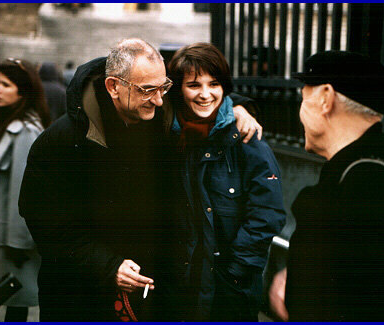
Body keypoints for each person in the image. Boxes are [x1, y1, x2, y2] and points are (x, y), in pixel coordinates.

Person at [18, 38, 262, 321]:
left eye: (164, 88)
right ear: (113, 87)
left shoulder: (159, 112)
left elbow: (202, 97)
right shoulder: (59, 142)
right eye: (148, 90)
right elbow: (45, 222)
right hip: (79, 297)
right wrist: (108, 266)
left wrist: (239, 108)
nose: (159, 99)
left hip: (149, 294)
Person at [268, 51, 384, 321]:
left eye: (303, 98)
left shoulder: (339, 193)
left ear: (325, 98)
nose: (300, 112)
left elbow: (307, 305)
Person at [163, 42, 286, 321]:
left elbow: (268, 213)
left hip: (229, 292)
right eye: (194, 85)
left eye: (214, 84)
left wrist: (235, 270)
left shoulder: (245, 140)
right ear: (178, 90)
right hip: (179, 288)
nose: (205, 94)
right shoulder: (169, 137)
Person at [0, 58, 50, 321]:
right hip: (3, 237)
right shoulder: (14, 125)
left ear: (23, 90)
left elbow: (21, 192)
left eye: (5, 84)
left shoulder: (26, 130)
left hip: (13, 243)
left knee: (13, 302)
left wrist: (18, 244)